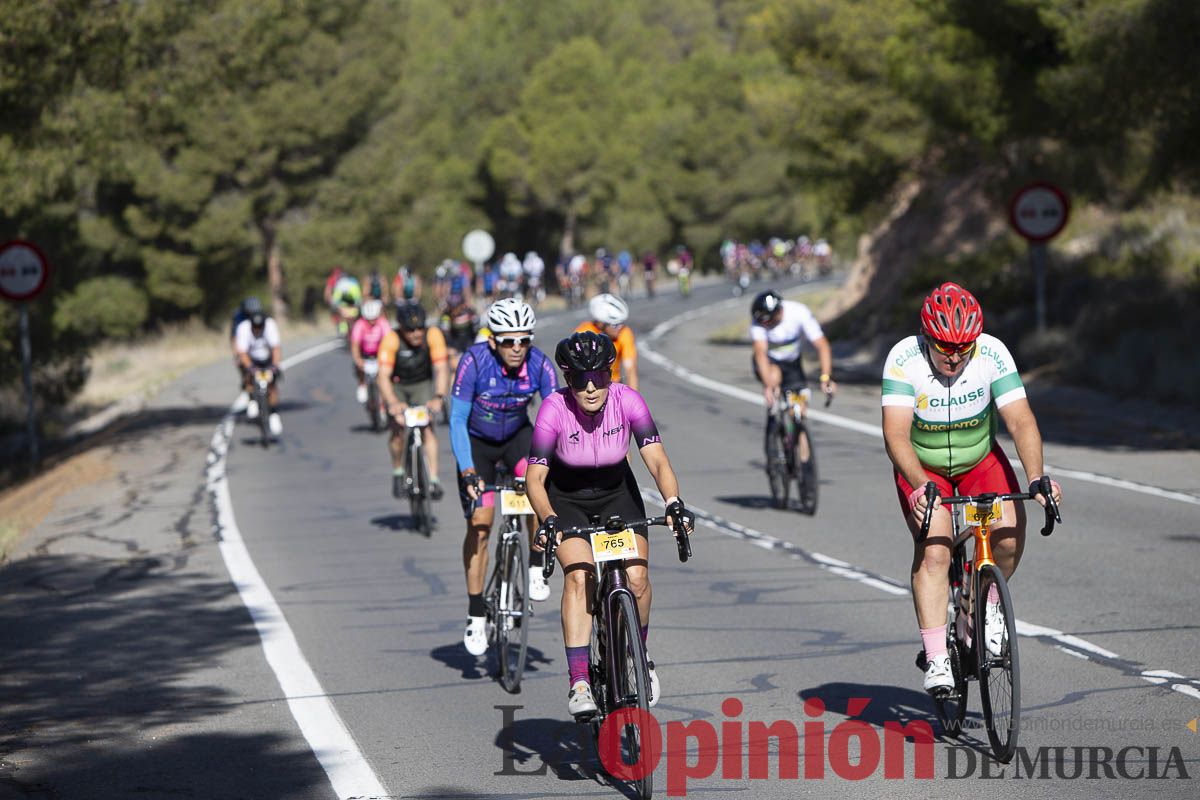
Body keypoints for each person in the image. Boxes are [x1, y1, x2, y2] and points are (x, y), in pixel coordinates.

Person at [881, 282, 1063, 694]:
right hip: (923, 468)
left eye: (965, 347)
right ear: (927, 337)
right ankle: (937, 657)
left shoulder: (993, 353)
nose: (955, 356)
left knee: (1010, 537)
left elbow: (1020, 420)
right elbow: (895, 433)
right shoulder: (903, 359)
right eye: (945, 346)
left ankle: (985, 607)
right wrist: (919, 484)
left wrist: (1036, 476)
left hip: (980, 461)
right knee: (935, 550)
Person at [525, 331, 695, 717]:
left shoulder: (628, 400)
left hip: (617, 492)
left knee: (636, 579)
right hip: (567, 499)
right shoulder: (553, 409)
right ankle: (580, 680)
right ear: (566, 379)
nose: (589, 388)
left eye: (598, 377)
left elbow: (656, 459)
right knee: (579, 575)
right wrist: (548, 519)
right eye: (579, 379)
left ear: (610, 374)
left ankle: (640, 651)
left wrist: (673, 502)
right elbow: (534, 479)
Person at [451, 298, 559, 656]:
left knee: (534, 486)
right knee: (480, 524)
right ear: (493, 340)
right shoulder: (473, 362)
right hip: (478, 445)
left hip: (517, 437)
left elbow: (553, 417)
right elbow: (456, 420)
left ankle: (532, 562)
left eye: (524, 340)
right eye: (509, 340)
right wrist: (468, 470)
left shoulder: (540, 364)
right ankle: (476, 612)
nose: (517, 348)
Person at [750, 289, 836, 466]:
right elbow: (760, 353)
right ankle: (774, 430)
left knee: (799, 410)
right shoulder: (758, 322)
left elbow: (822, 346)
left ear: (779, 311)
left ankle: (803, 461)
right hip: (769, 363)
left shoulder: (798, 313)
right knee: (774, 380)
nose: (767, 325)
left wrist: (826, 377)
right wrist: (768, 385)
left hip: (793, 364)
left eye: (770, 320)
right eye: (763, 322)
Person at [378, 302, 449, 500]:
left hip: (421, 384)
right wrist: (392, 402)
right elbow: (383, 376)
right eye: (410, 330)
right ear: (401, 328)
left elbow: (441, 368)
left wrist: (439, 396)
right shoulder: (391, 339)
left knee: (427, 427)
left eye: (420, 328)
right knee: (398, 430)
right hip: (397, 385)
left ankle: (434, 479)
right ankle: (398, 471)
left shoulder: (433, 335)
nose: (417, 333)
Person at [235, 308, 283, 436]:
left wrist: (274, 366)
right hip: (251, 359)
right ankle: (251, 398)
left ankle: (273, 413)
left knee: (272, 383)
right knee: (246, 373)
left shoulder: (270, 326)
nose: (257, 330)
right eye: (254, 327)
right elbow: (242, 352)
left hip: (267, 359)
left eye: (259, 327)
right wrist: (250, 368)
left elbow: (276, 349)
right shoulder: (243, 329)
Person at [575, 293, 638, 391]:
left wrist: (634, 401)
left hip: (613, 385)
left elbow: (630, 370)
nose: (620, 328)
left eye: (622, 323)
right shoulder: (583, 333)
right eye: (615, 325)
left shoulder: (624, 333)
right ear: (601, 324)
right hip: (588, 387)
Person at [349, 299, 390, 404]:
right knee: (357, 366)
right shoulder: (359, 325)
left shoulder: (383, 323)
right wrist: (358, 360)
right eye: (369, 319)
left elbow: (389, 342)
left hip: (380, 353)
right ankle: (362, 384)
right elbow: (355, 345)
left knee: (384, 374)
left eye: (374, 319)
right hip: (364, 354)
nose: (372, 322)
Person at [230, 296, 263, 412]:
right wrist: (237, 355)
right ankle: (250, 393)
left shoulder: (261, 316)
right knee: (244, 368)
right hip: (243, 346)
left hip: (258, 346)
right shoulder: (238, 318)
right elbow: (234, 339)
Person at [330, 272, 362, 336]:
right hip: (351, 306)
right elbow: (358, 298)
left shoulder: (338, 285)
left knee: (342, 319)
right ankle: (353, 330)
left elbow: (335, 300)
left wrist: (336, 306)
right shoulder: (353, 284)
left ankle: (343, 332)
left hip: (344, 307)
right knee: (353, 319)